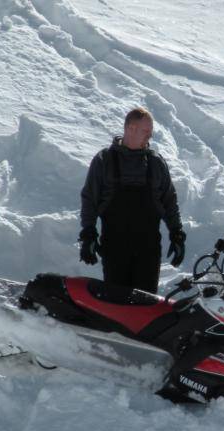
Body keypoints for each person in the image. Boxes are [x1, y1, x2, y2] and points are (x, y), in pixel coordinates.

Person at [78, 107, 185, 294]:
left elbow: (169, 200)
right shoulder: (104, 160)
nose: (149, 137)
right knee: (116, 304)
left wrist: (176, 233)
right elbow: (89, 199)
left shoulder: (156, 162)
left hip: (148, 249)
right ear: (131, 128)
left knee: (145, 305)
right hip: (115, 248)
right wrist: (88, 234)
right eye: (146, 131)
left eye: (150, 133)